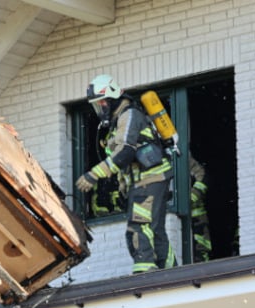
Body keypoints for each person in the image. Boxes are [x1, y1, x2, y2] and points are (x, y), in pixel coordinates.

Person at [76, 74, 174, 274]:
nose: (100, 108)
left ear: (112, 98)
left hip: (150, 178)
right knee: (156, 230)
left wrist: (93, 174)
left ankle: (144, 272)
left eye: (102, 103)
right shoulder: (119, 120)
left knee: (139, 225)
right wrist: (123, 189)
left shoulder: (129, 115)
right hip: (148, 180)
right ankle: (171, 271)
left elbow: (126, 152)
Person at [188, 155, 211, 262]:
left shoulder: (183, 157)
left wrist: (190, 199)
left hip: (197, 219)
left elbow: (202, 176)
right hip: (178, 219)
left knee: (200, 252)